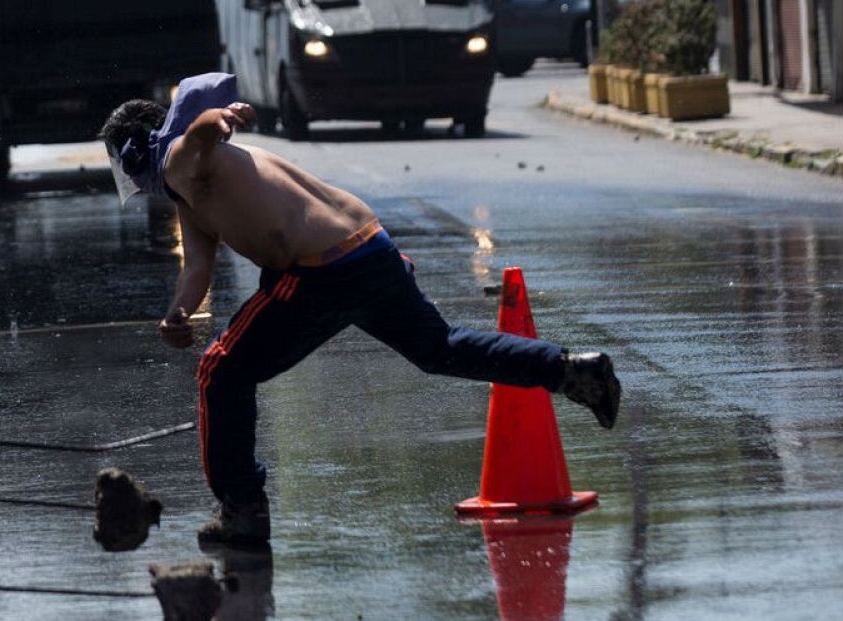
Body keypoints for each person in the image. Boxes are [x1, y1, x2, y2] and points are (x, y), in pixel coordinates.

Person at [100, 73, 622, 548]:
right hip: (370, 248)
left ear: (132, 154)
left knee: (220, 371)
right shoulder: (192, 193)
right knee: (437, 348)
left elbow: (199, 135)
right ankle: (572, 371)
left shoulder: (178, 161)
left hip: (320, 272)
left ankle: (243, 510)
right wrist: (177, 313)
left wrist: (221, 117)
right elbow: (197, 270)